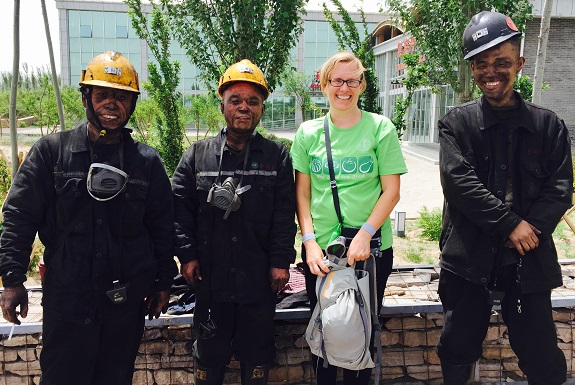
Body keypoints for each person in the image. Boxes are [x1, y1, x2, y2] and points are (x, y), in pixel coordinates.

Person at [0, 51, 177, 385]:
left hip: (123, 305)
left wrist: (164, 282)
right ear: (86, 97)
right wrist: (11, 280)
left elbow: (162, 227)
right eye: (103, 94)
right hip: (68, 299)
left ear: (132, 103)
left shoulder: (146, 162)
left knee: (115, 378)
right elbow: (19, 217)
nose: (112, 103)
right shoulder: (51, 152)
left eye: (122, 96)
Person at [436, 11, 573, 385]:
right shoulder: (456, 124)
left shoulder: (548, 126)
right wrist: (510, 224)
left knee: (542, 355)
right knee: (456, 349)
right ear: (472, 69)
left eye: (501, 62)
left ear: (520, 64)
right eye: (481, 64)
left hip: (527, 264)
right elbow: (458, 182)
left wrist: (528, 230)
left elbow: (560, 189)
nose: (491, 72)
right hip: (468, 262)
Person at [172, 59, 296, 385]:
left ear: (262, 108)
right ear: (222, 105)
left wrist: (280, 262)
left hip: (258, 283)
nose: (244, 107)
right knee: (208, 359)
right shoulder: (197, 156)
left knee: (256, 358)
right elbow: (179, 212)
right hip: (210, 283)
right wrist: (187, 256)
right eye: (235, 100)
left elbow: (285, 215)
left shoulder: (277, 157)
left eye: (252, 102)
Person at [290, 51, 407, 385]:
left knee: (363, 335)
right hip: (323, 254)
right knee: (326, 333)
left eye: (352, 80)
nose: (345, 88)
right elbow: (302, 194)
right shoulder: (308, 133)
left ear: (361, 84)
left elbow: (391, 191)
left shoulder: (380, 128)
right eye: (337, 80)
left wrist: (366, 233)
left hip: (369, 251)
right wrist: (309, 242)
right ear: (325, 84)